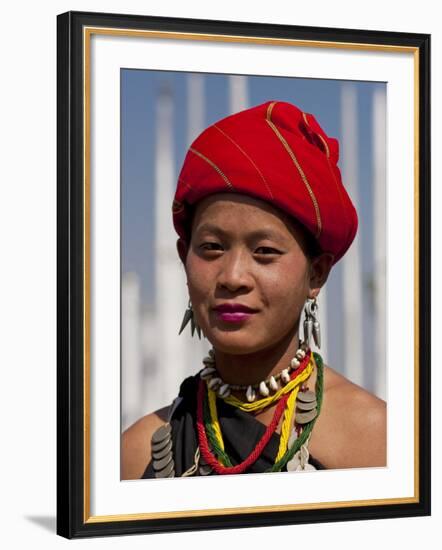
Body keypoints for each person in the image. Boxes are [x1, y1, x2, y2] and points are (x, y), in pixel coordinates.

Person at [122, 100, 386, 479]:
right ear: (184, 257)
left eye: (264, 252)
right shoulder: (135, 454)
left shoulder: (379, 441)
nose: (232, 276)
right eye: (211, 247)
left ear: (317, 274)